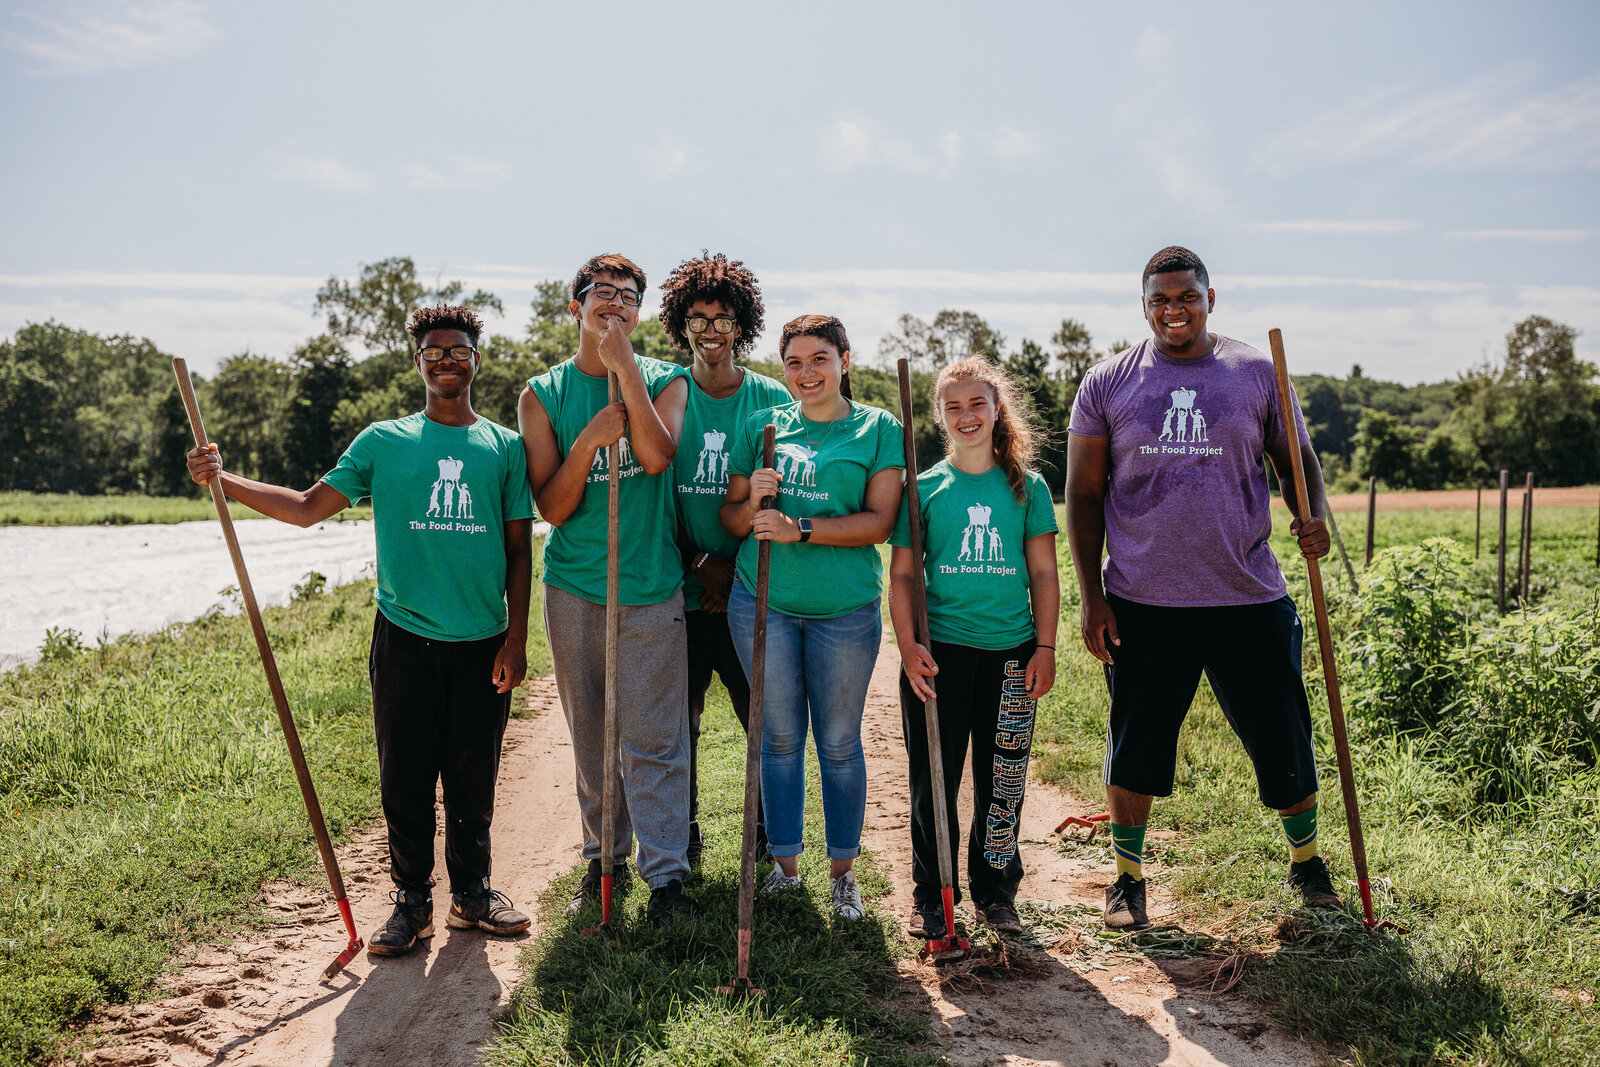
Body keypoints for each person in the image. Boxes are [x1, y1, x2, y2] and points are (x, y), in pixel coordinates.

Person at [185, 305, 535, 957]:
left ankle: (473, 893)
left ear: (476, 361)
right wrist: (222, 478)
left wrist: (516, 639)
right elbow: (306, 507)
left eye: (459, 350)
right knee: (403, 778)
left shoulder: (503, 447)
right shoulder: (384, 441)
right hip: (402, 636)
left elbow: (519, 549)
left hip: (482, 639)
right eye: (435, 353)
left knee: (472, 778)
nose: (448, 361)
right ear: (419, 363)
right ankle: (412, 902)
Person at [1064, 246, 1340, 931]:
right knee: (1136, 743)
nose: (1173, 310)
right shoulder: (1108, 382)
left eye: (1186, 297)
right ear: (1144, 306)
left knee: (1283, 733)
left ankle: (1307, 863)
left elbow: (1296, 458)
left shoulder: (1255, 372)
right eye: (1159, 300)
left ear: (1211, 298)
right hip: (1143, 601)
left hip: (1246, 594)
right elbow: (1083, 493)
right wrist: (1092, 596)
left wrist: (1315, 517)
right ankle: (1127, 878)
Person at [516, 253, 700, 928]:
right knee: (592, 733)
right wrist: (590, 440)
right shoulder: (543, 395)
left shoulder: (667, 381)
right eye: (600, 293)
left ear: (640, 311)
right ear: (575, 306)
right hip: (575, 587)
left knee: (655, 737)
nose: (613, 303)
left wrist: (625, 369)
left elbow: (656, 456)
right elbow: (553, 507)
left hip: (649, 585)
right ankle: (602, 860)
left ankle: (668, 878)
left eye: (627, 295)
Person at [719, 315, 903, 921]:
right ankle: (785, 869)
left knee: (841, 744)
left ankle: (843, 875)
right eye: (794, 362)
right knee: (777, 740)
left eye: (820, 359)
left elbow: (878, 523)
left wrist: (799, 528)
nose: (807, 373)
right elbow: (730, 519)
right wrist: (754, 500)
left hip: (844, 612)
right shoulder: (763, 428)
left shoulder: (879, 429)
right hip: (762, 603)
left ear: (845, 359)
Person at [890, 358, 1060, 938]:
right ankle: (933, 896)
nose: (967, 415)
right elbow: (906, 575)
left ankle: (995, 890)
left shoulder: (1025, 486)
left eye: (977, 403)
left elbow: (1042, 572)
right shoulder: (926, 488)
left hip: (1012, 655)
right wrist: (909, 645)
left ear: (996, 409)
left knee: (1004, 778)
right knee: (933, 778)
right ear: (939, 414)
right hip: (941, 657)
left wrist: (1045, 646)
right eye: (953, 405)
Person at [658, 252, 791, 865]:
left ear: (742, 325)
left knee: (759, 718)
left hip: (748, 589)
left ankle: (765, 838)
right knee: (675, 728)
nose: (711, 329)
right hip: (677, 591)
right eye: (698, 316)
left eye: (723, 317)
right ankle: (680, 842)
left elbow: (781, 490)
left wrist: (729, 568)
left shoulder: (770, 399)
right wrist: (697, 562)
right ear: (681, 324)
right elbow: (649, 493)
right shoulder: (666, 393)